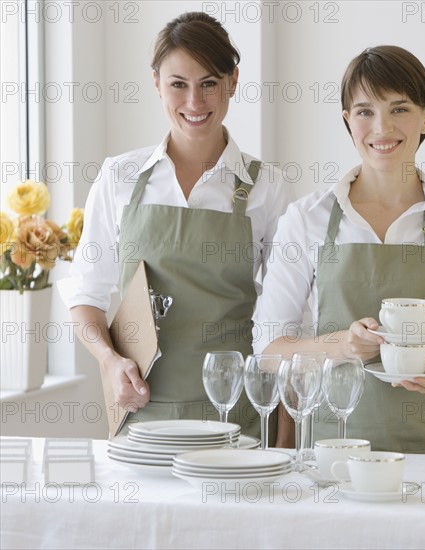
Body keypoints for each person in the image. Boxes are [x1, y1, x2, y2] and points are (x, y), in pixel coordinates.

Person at [253, 45, 425, 456]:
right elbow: (269, 351)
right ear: (347, 120)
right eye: (364, 111)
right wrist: (341, 345)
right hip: (337, 443)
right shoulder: (306, 220)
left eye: (399, 109)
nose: (381, 127)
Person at [58, 12, 294, 438]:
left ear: (233, 81)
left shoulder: (266, 187)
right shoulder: (119, 177)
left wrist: (286, 436)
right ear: (156, 83)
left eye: (209, 83)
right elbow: (86, 293)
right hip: (142, 413)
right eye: (178, 84)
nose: (194, 102)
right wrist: (110, 362)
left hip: (236, 418)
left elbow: (288, 321)